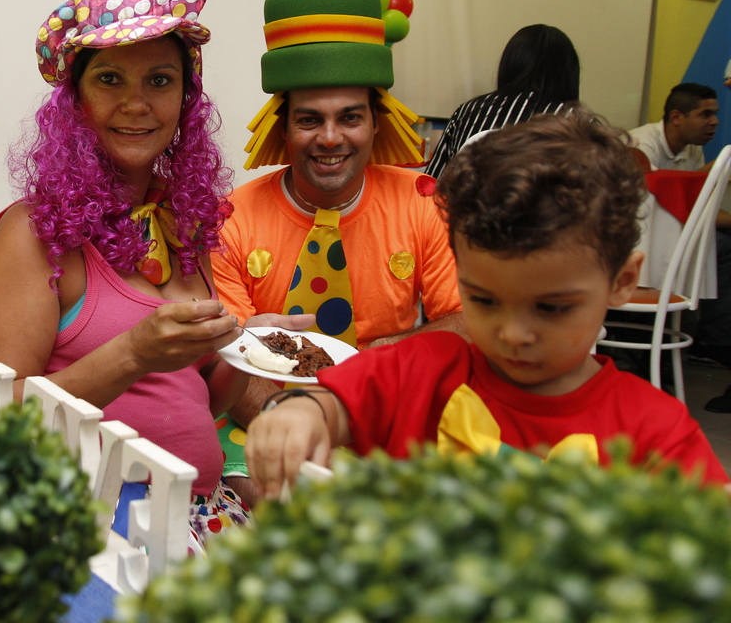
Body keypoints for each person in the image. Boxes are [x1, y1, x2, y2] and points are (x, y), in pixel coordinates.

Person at [0, 0, 306, 545]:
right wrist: (132, 353)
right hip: (96, 533)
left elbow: (198, 401)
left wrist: (244, 348)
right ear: (75, 99)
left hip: (203, 515)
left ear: (185, 98)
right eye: (109, 79)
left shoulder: (183, 223)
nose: (136, 104)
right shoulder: (33, 235)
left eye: (160, 80)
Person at [245, 111, 729, 497]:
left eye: (552, 308)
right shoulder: (422, 369)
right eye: (483, 300)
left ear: (621, 282)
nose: (513, 333)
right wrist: (299, 414)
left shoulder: (656, 434)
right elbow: (333, 404)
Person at [210, 0, 464, 496]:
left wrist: (385, 357)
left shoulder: (424, 203)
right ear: (282, 128)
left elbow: (467, 323)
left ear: (376, 123)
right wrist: (297, 428)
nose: (330, 138)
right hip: (264, 419)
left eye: (350, 117)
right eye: (309, 120)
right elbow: (225, 353)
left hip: (386, 408)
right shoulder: (229, 219)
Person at [628, 84, 731, 408]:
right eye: (706, 114)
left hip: (666, 237)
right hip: (634, 241)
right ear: (676, 117)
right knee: (722, 246)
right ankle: (712, 341)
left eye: (715, 113)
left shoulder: (693, 151)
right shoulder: (641, 146)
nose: (715, 122)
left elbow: (692, 209)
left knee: (722, 243)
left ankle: (712, 340)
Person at [424, 23, 579, 178]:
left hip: (469, 194)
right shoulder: (579, 124)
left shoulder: (468, 112)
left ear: (510, 64)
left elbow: (430, 184)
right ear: (569, 73)